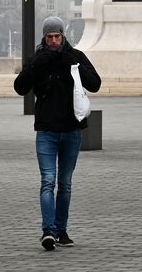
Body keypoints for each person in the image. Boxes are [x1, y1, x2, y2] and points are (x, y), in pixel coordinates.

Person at [13, 15, 101, 251]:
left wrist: (74, 64)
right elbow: (20, 87)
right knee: (47, 181)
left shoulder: (75, 57)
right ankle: (48, 231)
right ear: (44, 38)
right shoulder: (38, 60)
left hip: (71, 131)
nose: (54, 41)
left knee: (65, 183)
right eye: (50, 37)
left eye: (57, 36)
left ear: (63, 36)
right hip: (46, 132)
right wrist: (37, 64)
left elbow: (95, 83)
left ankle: (62, 230)